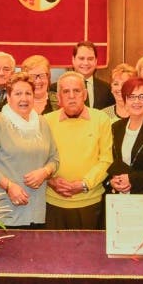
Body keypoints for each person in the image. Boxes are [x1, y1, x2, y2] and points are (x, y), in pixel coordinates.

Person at [0, 73, 59, 228]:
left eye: (28, 93)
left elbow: (55, 159)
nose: (24, 98)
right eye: (18, 93)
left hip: (35, 209)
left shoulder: (42, 123)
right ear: (8, 97)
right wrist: (9, 186)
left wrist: (45, 172)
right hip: (3, 209)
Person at [45, 72, 113, 230]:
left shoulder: (101, 119)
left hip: (90, 202)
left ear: (85, 94)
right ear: (59, 97)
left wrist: (84, 184)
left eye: (76, 91)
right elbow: (39, 159)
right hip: (53, 202)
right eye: (66, 91)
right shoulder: (46, 121)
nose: (71, 96)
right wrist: (51, 181)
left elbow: (106, 159)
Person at [72, 41, 114, 110]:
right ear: (73, 60)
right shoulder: (58, 88)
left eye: (90, 59)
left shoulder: (107, 89)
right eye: (81, 58)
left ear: (96, 61)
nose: (86, 63)